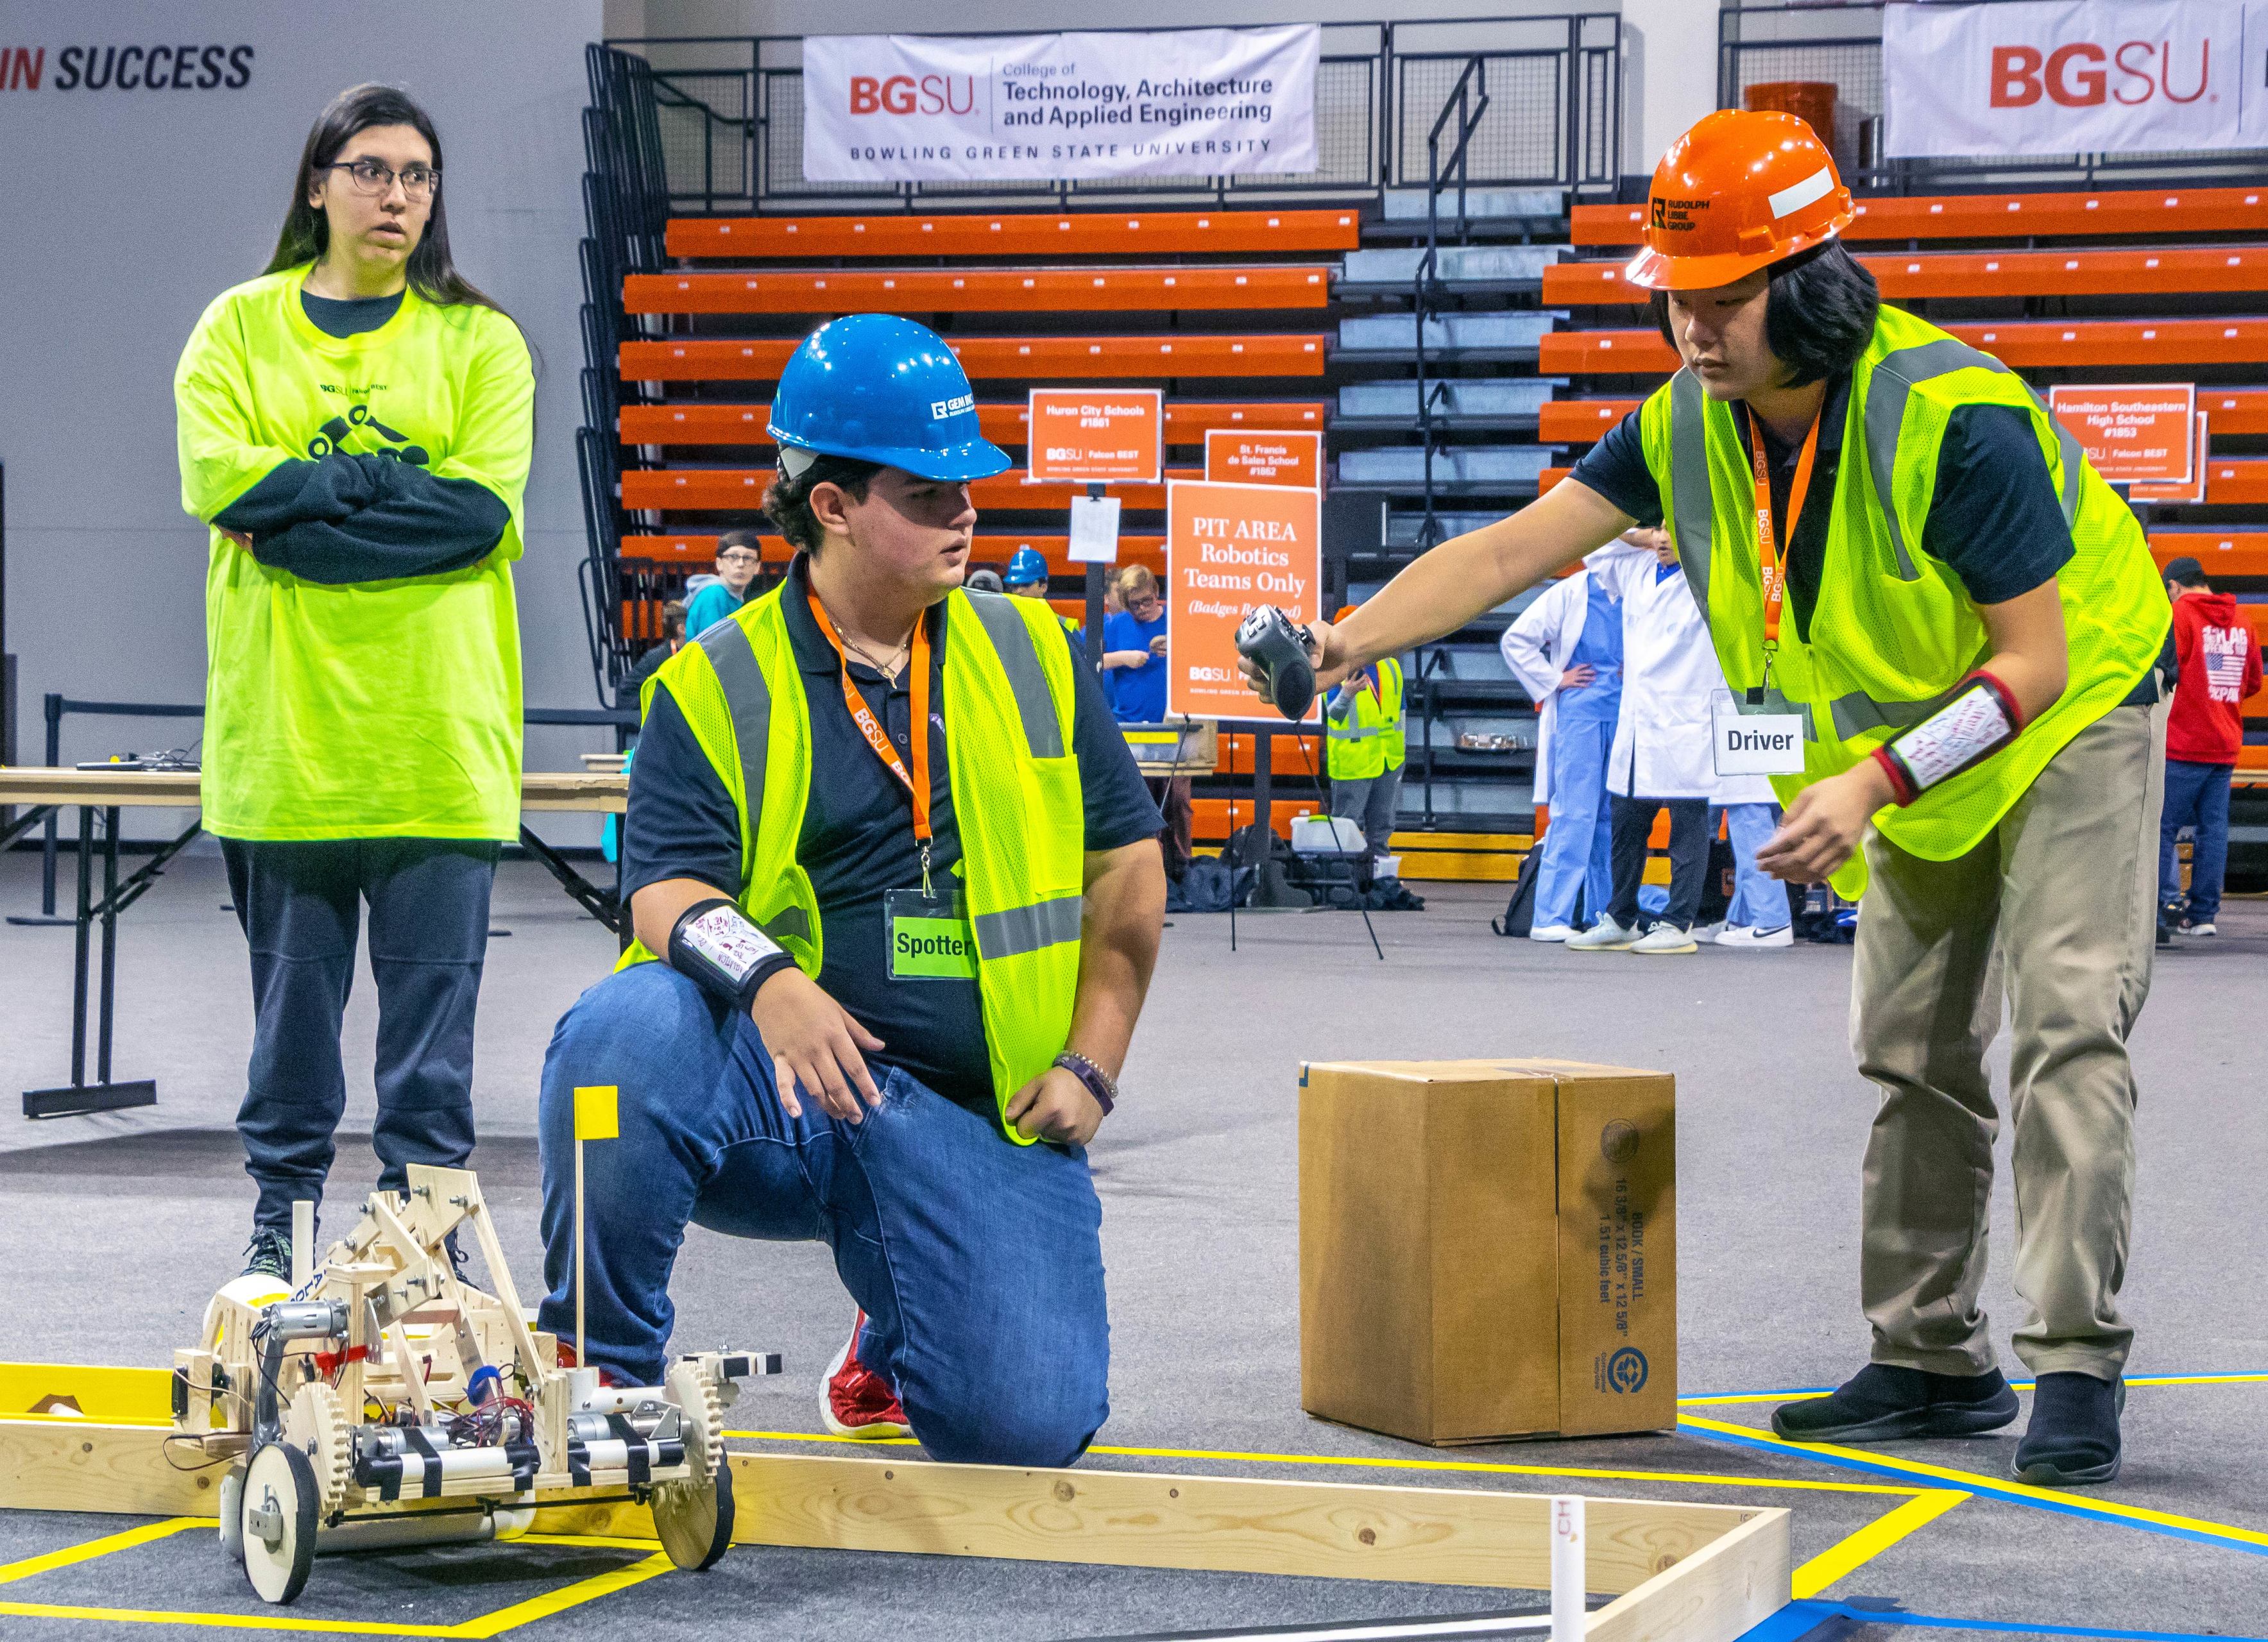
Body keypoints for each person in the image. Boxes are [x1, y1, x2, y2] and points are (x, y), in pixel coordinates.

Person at [1241, 110, 2169, 1485]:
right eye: (1675, 295)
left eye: (1724, 297)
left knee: (2064, 1030)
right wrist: (1341, 641)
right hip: (1914, 747)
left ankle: (2077, 1360)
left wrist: (1872, 776)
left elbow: (2031, 658)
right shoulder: (1688, 422)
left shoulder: (1959, 418)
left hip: (2068, 712)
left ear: (1811, 287)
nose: (1691, 325)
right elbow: (1509, 549)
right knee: (1912, 1049)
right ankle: (1929, 1359)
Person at [535, 313, 1166, 1466]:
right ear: (829, 505)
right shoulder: (711, 683)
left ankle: (897, 1319)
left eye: (970, 484)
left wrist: (1095, 1061)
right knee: (616, 1040)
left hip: (982, 1112)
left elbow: (1127, 868)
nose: (965, 511)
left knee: (1024, 1428)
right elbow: (665, 895)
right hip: (786, 1095)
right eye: (928, 493)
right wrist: (771, 985)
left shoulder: (1036, 653)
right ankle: (602, 1371)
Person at [174, 84, 534, 1282]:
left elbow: (480, 514)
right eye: (372, 170)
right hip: (288, 750)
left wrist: (301, 516)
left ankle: (419, 1244)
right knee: (292, 1031)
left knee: (433, 1049)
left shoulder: (483, 342)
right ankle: (281, 1223)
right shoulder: (236, 329)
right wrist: (392, 497)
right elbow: (227, 488)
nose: (398, 194)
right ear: (318, 184)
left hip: (438, 749)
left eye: (419, 174)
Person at [1561, 529, 1728, 956]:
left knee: (1686, 825)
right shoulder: (1634, 568)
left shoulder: (1710, 571)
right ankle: (1620, 917)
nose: (1666, 540)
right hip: (1637, 721)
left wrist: (1689, 537)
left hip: (1684, 720)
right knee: (1625, 822)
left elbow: (1732, 547)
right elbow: (1595, 540)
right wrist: (1642, 537)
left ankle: (1678, 923)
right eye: (1661, 529)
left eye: (1675, 529)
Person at [1502, 544, 1642, 940]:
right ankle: (1550, 916)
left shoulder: (1639, 592)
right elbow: (1517, 640)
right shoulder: (1571, 592)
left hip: (1624, 713)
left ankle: (1604, 915)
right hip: (1580, 714)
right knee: (1574, 815)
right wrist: (1553, 680)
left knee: (1609, 821)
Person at [2158, 555, 2260, 936]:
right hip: (2225, 742)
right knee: (2213, 831)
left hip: (2184, 742)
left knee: (2162, 827)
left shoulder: (2180, 615)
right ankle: (2203, 916)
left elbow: (2169, 672)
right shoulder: (2243, 620)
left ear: (2176, 586)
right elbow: (2252, 683)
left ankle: (2167, 905)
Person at [1104, 565, 1192, 876]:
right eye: (1133, 604)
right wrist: (1125, 657)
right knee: (1139, 804)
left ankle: (1182, 867)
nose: (1141, 610)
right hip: (1129, 724)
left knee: (1178, 800)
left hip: (1171, 724)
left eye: (1145, 601)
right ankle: (1144, 871)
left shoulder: (1177, 622)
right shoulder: (1116, 625)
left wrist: (1176, 646)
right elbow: (1090, 658)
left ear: (1156, 593)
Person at [1324, 604, 1408, 875]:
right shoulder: (1334, 669)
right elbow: (1333, 715)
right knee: (1346, 826)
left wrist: (1400, 758)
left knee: (1382, 828)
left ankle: (1381, 883)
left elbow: (1401, 713)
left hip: (1388, 760)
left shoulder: (1391, 667)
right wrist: (1346, 694)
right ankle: (1343, 883)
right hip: (1353, 763)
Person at [685, 528, 763, 637]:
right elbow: (714, 648)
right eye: (733, 557)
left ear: (757, 567)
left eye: (748, 558)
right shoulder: (714, 594)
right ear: (719, 563)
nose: (741, 564)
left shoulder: (734, 597)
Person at [1005, 544, 1080, 634]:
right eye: (1015, 586)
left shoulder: (1067, 627)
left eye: (1026, 584)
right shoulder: (1005, 627)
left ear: (1043, 587)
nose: (1018, 591)